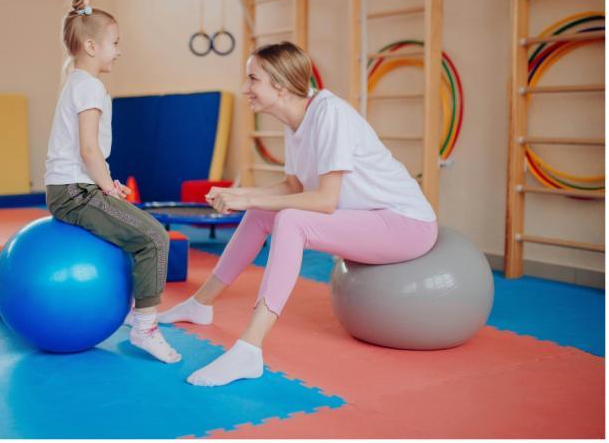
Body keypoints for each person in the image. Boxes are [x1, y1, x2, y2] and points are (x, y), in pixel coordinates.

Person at [159, 41, 438, 385]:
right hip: (371, 218)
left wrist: (247, 199)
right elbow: (293, 187)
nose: (245, 89)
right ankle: (200, 304)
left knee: (291, 220)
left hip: (405, 224)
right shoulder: (295, 123)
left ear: (278, 83)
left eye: (252, 79)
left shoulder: (329, 114)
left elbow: (324, 201)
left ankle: (249, 350)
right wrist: (242, 195)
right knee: (265, 212)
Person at [44, 0, 181, 364]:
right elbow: (89, 150)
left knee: (131, 231)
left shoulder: (77, 81)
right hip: (75, 193)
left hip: (72, 188)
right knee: (154, 237)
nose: (119, 51)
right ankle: (145, 327)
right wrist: (105, 186)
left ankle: (130, 313)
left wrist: (107, 183)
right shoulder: (89, 86)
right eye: (115, 42)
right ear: (91, 46)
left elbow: (87, 154)